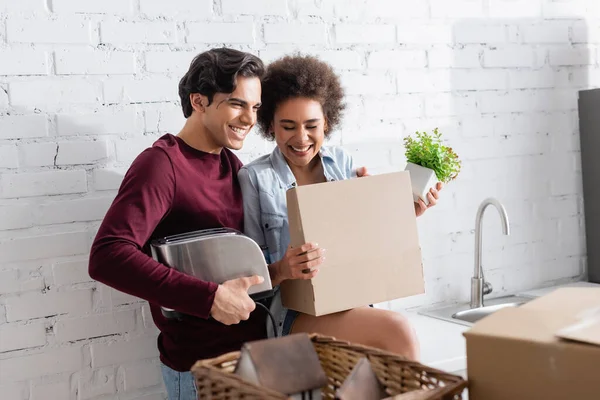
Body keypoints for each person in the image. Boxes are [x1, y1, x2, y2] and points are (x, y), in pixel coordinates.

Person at [88, 48, 269, 400]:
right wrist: (209, 298)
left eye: (256, 107)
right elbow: (108, 255)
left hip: (252, 361)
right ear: (198, 101)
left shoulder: (232, 164)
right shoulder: (162, 165)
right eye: (237, 104)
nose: (249, 118)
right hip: (201, 371)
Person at [238, 54, 443, 361]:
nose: (301, 137)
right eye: (288, 126)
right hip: (293, 313)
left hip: (353, 301)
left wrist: (402, 214)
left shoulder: (343, 163)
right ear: (271, 126)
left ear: (327, 123)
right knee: (398, 331)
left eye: (311, 125)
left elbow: (363, 246)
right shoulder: (254, 178)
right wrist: (284, 268)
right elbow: (251, 278)